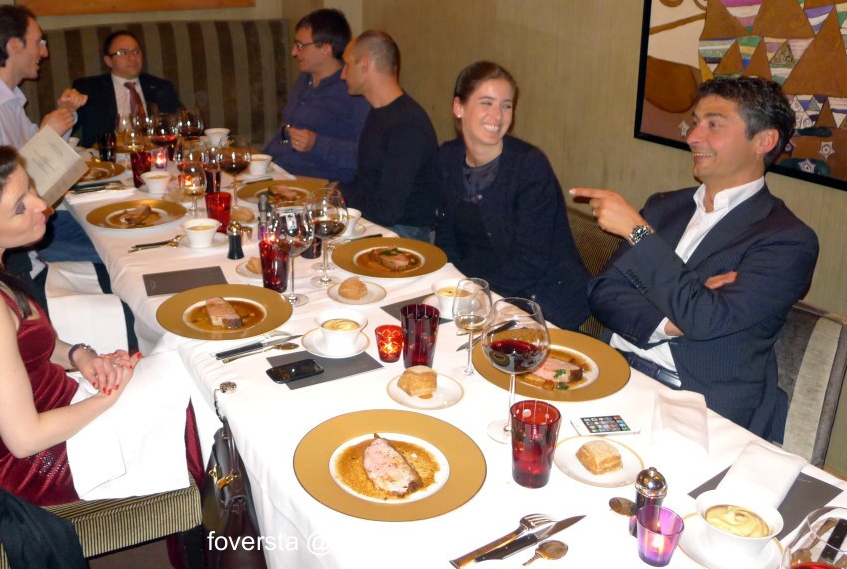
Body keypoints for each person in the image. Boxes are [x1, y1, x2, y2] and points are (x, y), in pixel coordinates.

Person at [571, 77, 819, 441]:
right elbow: (602, 292)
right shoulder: (664, 206)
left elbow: (705, 319)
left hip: (696, 408)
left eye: (713, 124)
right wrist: (674, 320)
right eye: (696, 122)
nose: (692, 137)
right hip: (613, 371)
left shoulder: (787, 240)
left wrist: (639, 234)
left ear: (763, 141)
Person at [0, 145, 140, 505]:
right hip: (44, 464)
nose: (42, 205)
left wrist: (80, 356)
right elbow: (24, 440)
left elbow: (21, 345)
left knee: (181, 373)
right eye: (20, 207)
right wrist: (108, 397)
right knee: (192, 409)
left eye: (30, 187)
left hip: (59, 407)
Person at [434, 61, 590, 329]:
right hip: (478, 294)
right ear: (458, 107)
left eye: (506, 105)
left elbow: (531, 261)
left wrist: (476, 296)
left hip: (538, 303)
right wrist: (453, 288)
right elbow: (446, 238)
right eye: (486, 103)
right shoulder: (448, 157)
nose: (497, 115)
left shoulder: (528, 166)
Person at [338, 30, 438, 239]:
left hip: (404, 233)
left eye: (347, 64)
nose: (343, 74)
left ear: (364, 65)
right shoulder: (379, 111)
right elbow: (366, 182)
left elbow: (386, 211)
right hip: (376, 221)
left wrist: (340, 194)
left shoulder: (408, 126)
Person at [263, 9, 369, 182]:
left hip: (318, 183)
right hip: (280, 172)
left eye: (300, 45)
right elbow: (285, 131)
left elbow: (366, 154)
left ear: (325, 49)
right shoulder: (305, 79)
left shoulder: (353, 91)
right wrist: (261, 160)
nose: (294, 52)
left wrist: (317, 144)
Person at [0, 4, 87, 149]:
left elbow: (44, 156)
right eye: (39, 42)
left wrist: (65, 112)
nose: (45, 52)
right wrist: (46, 136)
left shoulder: (12, 100)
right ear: (15, 45)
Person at [72, 29, 181, 148]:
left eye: (136, 51)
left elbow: (181, 123)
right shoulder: (88, 89)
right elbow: (68, 128)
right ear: (108, 61)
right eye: (123, 53)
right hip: (107, 156)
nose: (133, 57)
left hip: (155, 154)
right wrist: (67, 108)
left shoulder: (162, 87)